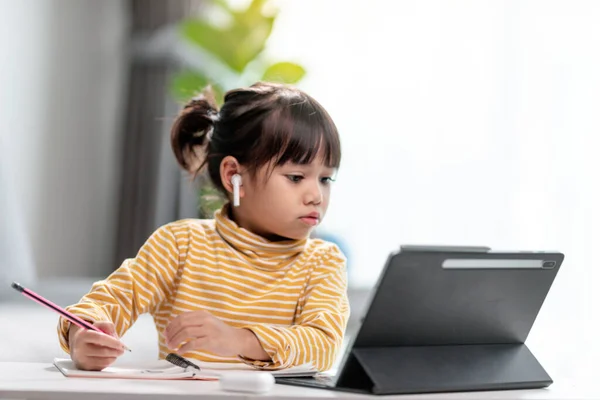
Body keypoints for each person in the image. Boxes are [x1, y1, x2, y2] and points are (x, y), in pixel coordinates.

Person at [57, 82, 349, 372]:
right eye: (297, 177)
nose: (316, 196)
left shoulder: (323, 262)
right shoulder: (180, 244)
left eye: (325, 179)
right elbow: (109, 301)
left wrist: (238, 340)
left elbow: (324, 347)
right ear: (235, 176)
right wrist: (83, 335)